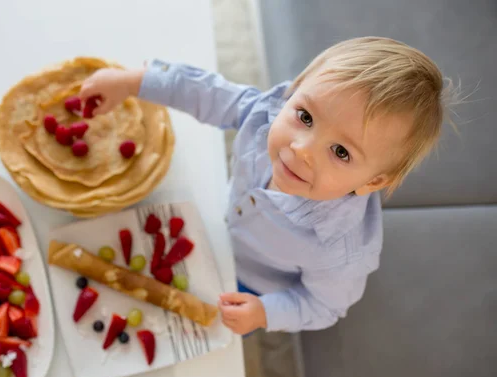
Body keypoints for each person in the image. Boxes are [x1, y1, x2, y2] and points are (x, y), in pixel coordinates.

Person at [79, 36, 455, 335]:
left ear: (372, 182)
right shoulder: (265, 114)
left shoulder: (339, 252)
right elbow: (209, 92)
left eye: (340, 151)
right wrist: (137, 81)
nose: (301, 150)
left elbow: (325, 305)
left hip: (255, 285)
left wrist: (265, 313)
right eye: (305, 116)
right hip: (218, 220)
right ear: (293, 92)